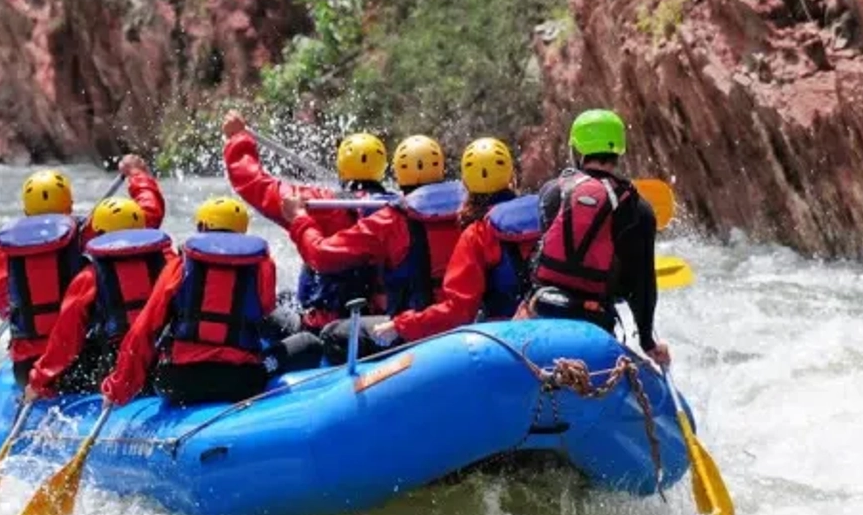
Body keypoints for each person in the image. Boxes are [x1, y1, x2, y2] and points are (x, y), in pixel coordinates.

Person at [0, 158, 166, 386]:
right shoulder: (84, 233)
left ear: (26, 210)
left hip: (27, 365)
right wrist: (138, 176)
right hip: (80, 360)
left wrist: (17, 311)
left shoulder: (9, 248)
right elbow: (142, 218)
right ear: (69, 205)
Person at [279, 136, 461, 362]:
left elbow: (321, 255)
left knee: (333, 334)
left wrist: (299, 219)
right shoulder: (471, 216)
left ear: (397, 173)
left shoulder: (390, 220)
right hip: (463, 325)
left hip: (410, 330)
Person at [361, 138, 544, 346]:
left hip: (502, 339)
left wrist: (401, 325)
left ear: (465, 184)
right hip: (553, 331)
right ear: (512, 177)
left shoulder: (478, 234)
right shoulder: (547, 216)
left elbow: (459, 311)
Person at [523, 109, 671, 367]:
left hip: (541, 310)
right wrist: (648, 342)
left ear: (577, 149)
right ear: (619, 151)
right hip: (594, 320)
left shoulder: (552, 192)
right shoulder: (638, 209)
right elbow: (642, 284)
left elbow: (542, 257)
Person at [221, 111, 394, 331]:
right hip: (380, 321)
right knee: (286, 297)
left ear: (341, 166)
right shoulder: (397, 208)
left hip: (324, 325)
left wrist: (237, 140)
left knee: (271, 309)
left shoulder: (322, 204)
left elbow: (255, 183)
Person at [102, 197, 281, 407]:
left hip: (180, 382)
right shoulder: (263, 265)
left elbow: (143, 330)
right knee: (306, 344)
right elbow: (266, 308)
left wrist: (118, 389)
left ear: (201, 227)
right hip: (242, 381)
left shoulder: (179, 266)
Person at [22, 198, 173, 401]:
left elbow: (66, 339)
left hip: (117, 370)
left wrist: (39, 380)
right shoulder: (172, 265)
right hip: (165, 365)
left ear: (98, 234)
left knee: (81, 365)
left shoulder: (89, 278)